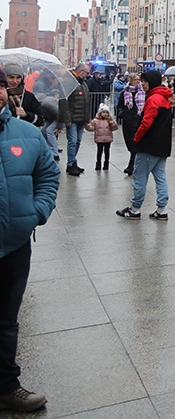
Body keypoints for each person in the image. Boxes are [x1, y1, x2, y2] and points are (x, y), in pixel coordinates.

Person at [0, 69, 60, 413]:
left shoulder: (27, 133)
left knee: (7, 320)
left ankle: (7, 385)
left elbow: (47, 174)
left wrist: (36, 212)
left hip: (14, 242)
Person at [116, 70, 172, 221]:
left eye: (145, 81)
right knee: (160, 177)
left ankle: (135, 209)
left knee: (140, 177)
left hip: (149, 145)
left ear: (152, 82)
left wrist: (137, 137)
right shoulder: (164, 97)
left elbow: (147, 122)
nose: (142, 83)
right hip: (162, 145)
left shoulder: (153, 99)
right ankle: (162, 209)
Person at [61, 63, 91, 176]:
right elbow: (64, 102)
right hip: (72, 118)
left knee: (77, 141)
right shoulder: (69, 82)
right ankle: (70, 164)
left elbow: (87, 102)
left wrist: (87, 118)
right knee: (72, 141)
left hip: (81, 118)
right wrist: (67, 118)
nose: (88, 75)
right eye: (87, 73)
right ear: (80, 71)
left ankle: (73, 161)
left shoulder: (83, 83)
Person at [118, 74, 144, 175]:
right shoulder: (124, 92)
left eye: (139, 80)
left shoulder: (142, 92)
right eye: (135, 80)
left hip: (139, 121)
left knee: (135, 144)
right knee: (129, 144)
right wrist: (122, 114)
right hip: (128, 121)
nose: (138, 82)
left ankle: (131, 166)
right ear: (130, 80)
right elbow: (119, 106)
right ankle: (133, 164)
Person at [3, 64, 43, 130]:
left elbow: (40, 120)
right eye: (11, 77)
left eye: (18, 77)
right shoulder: (2, 95)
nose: (15, 81)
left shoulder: (28, 96)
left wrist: (26, 115)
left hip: (23, 133)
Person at [84, 103, 118, 170]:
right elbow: (91, 128)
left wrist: (113, 124)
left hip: (108, 139)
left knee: (107, 152)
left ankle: (106, 163)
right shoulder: (95, 121)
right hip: (99, 139)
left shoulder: (109, 120)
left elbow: (114, 128)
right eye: (103, 112)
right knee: (99, 152)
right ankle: (98, 163)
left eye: (106, 112)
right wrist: (87, 125)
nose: (105, 114)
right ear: (100, 113)